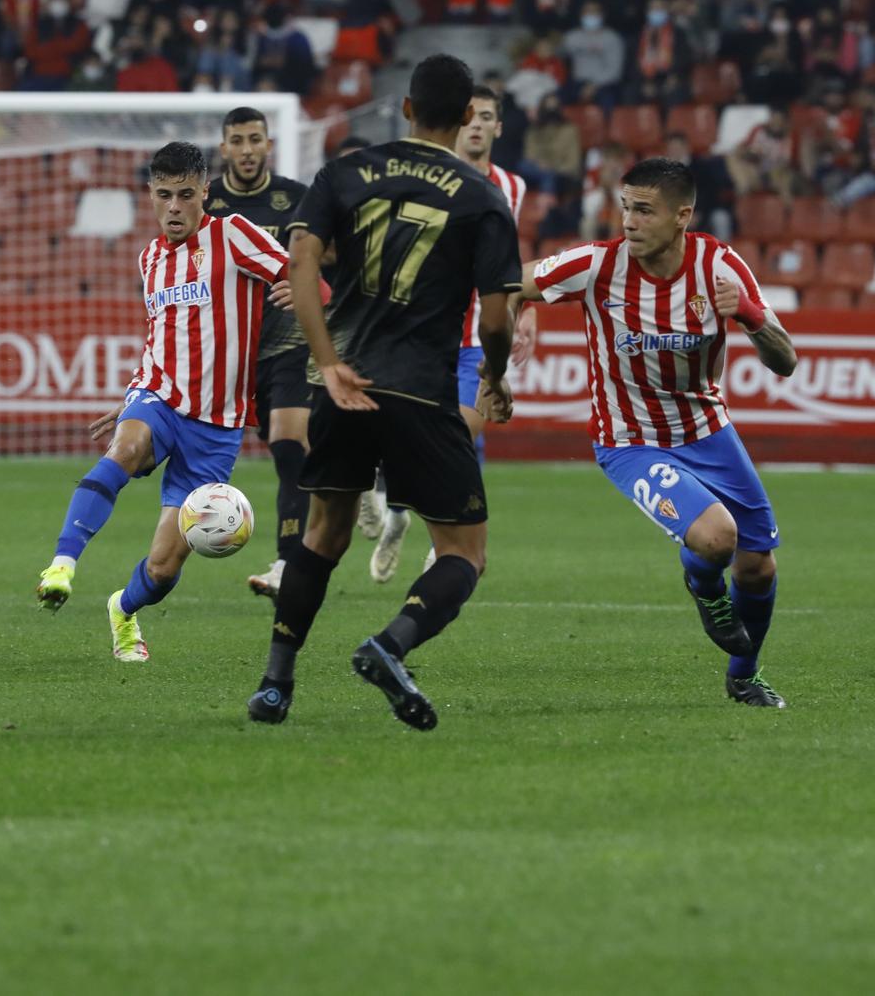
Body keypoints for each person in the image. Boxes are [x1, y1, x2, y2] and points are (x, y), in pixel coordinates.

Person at [248, 54, 521, 730]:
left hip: (342, 385)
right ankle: (390, 642)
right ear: (466, 117)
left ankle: (276, 683)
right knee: (465, 552)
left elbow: (302, 264)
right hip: (423, 393)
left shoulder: (343, 172)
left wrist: (327, 361)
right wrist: (494, 373)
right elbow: (495, 316)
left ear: (404, 108)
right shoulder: (483, 196)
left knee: (324, 533)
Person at [519, 156, 798, 707]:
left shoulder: (719, 267)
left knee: (759, 564)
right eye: (625, 207)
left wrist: (749, 315)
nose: (628, 222)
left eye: (644, 210)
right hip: (630, 440)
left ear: (681, 216)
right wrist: (519, 314)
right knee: (717, 539)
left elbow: (785, 360)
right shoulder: (597, 265)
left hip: (706, 429)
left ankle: (743, 676)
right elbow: (509, 282)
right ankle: (705, 587)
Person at [33, 142, 291, 663]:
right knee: (124, 450)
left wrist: (304, 293)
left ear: (205, 194)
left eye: (186, 195)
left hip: (216, 427)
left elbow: (295, 273)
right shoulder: (150, 258)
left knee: (164, 567)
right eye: (164, 195)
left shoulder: (234, 235)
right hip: (160, 398)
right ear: (151, 194)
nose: (174, 207)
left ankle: (123, 610)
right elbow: (161, 334)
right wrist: (133, 394)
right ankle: (61, 563)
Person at [365, 83, 528, 585]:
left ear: (498, 126)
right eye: (471, 115)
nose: (477, 124)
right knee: (410, 434)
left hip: (478, 341)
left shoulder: (512, 187)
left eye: (487, 116)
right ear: (458, 123)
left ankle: (447, 546)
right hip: (426, 334)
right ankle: (395, 506)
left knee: (458, 435)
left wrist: (527, 312)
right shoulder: (428, 180)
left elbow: (512, 260)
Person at [192, 109, 314, 601]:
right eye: (237, 140)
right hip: (230, 349)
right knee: (196, 461)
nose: (246, 149)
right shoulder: (207, 203)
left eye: (255, 139)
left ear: (268, 145)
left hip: (287, 343)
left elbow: (319, 259)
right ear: (223, 149)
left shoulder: (296, 198)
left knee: (289, 448)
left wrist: (306, 284)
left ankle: (288, 562)